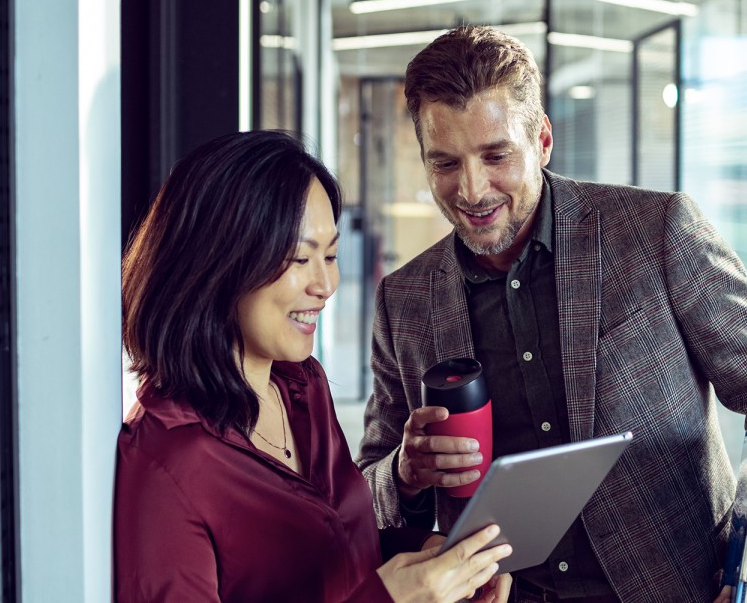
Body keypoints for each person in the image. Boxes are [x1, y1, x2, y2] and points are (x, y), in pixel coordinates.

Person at [356, 26, 747, 603]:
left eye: (496, 156)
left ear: (541, 140)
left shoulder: (657, 232)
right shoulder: (403, 301)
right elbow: (367, 487)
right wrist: (405, 475)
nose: (471, 189)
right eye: (445, 163)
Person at [115, 130, 513, 602]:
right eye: (300, 258)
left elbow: (331, 556)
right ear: (217, 265)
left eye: (330, 255)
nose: (326, 284)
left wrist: (428, 560)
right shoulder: (167, 466)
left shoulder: (301, 387)